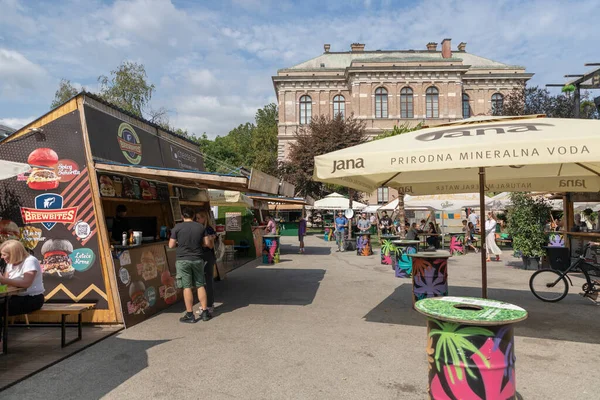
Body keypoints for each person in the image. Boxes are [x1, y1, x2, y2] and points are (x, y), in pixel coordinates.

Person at [0, 240, 45, 353]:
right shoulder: (11, 263)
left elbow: (26, 283)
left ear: (14, 253)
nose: (2, 257)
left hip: (32, 298)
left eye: (4, 254)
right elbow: (6, 283)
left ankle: (1, 344)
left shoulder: (30, 261)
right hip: (14, 297)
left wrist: (3, 280)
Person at [169, 207, 211, 323]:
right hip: (197, 258)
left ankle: (189, 315)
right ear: (193, 216)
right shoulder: (200, 227)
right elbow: (207, 243)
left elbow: (171, 245)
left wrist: (179, 242)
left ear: (182, 216)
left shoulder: (177, 228)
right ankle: (205, 312)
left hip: (183, 260)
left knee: (187, 287)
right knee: (200, 284)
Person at [195, 210, 216, 315]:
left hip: (207, 256)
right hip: (200, 256)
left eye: (199, 218)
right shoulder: (199, 229)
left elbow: (210, 245)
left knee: (208, 280)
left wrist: (205, 242)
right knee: (201, 282)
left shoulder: (208, 229)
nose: (197, 220)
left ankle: (210, 304)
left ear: (204, 218)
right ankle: (204, 304)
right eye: (196, 218)